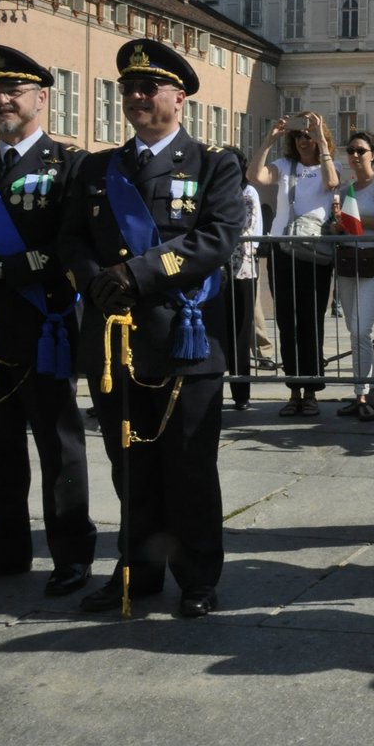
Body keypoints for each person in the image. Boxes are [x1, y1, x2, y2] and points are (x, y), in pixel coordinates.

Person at [60, 39, 243, 618]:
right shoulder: (96, 168)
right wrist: (97, 281)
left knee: (188, 466)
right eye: (129, 89)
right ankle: (136, 573)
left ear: (180, 97)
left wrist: (136, 273)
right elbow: (69, 239)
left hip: (185, 340)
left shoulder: (215, 162)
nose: (137, 97)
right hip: (115, 341)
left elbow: (215, 240)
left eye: (150, 87)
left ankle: (197, 578)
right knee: (130, 466)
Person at [0, 44, 95, 596]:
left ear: (40, 98)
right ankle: (7, 546)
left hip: (44, 322)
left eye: (12, 91)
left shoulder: (70, 166)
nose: (0, 100)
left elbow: (74, 245)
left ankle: (71, 553)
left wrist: (16, 265)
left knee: (59, 446)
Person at [248, 111, 341, 416]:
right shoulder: (285, 166)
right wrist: (269, 140)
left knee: (311, 320)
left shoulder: (331, 165)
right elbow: (254, 176)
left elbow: (331, 183)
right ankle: (294, 389)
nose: (303, 140)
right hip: (282, 249)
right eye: (299, 136)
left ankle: (312, 390)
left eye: (308, 136)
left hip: (315, 253)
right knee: (287, 321)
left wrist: (321, 141)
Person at [332, 130, 374, 422]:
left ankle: (362, 393)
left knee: (360, 329)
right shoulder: (347, 190)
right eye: (351, 150)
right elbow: (342, 226)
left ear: (373, 154)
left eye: (360, 150)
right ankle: (369, 391)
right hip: (348, 260)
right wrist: (338, 226)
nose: (355, 155)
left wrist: (354, 220)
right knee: (353, 329)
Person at [223, 146, 260, 412]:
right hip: (215, 270)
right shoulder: (212, 190)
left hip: (241, 270)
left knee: (240, 332)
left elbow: (244, 225)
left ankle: (241, 394)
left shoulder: (247, 193)